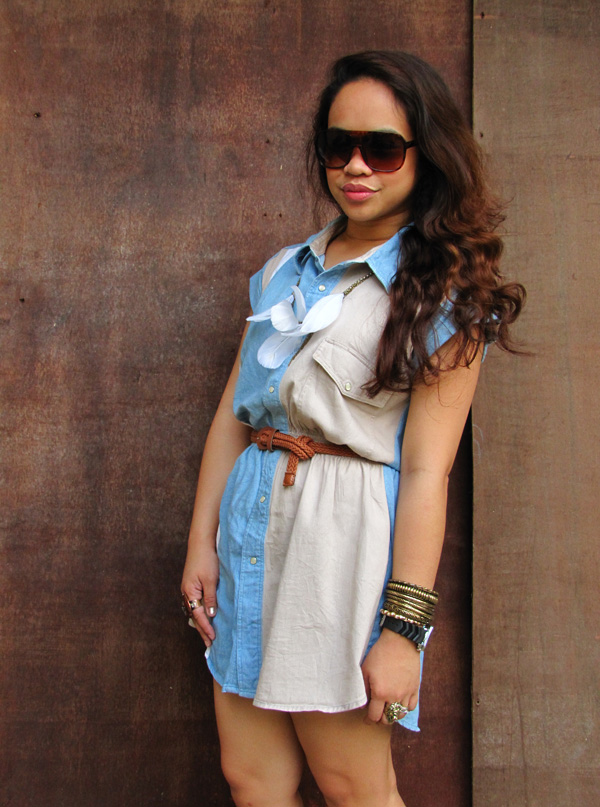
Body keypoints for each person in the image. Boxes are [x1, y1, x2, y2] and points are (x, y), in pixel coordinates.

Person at [181, 51, 524, 807]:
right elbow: (233, 417)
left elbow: (428, 473)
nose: (356, 166)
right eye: (339, 146)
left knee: (353, 786)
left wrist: (404, 631)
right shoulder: (282, 272)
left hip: (338, 554)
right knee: (252, 778)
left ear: (427, 155)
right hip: (248, 533)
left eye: (383, 148)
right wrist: (201, 541)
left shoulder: (447, 297)